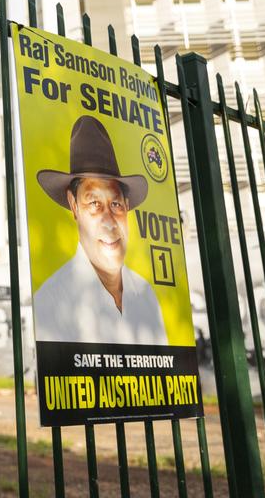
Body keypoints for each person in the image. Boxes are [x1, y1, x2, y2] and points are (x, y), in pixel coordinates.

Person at [32, 115, 168, 345]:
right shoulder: (50, 301)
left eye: (115, 204)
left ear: (126, 206)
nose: (109, 221)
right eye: (94, 204)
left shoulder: (146, 294)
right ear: (74, 206)